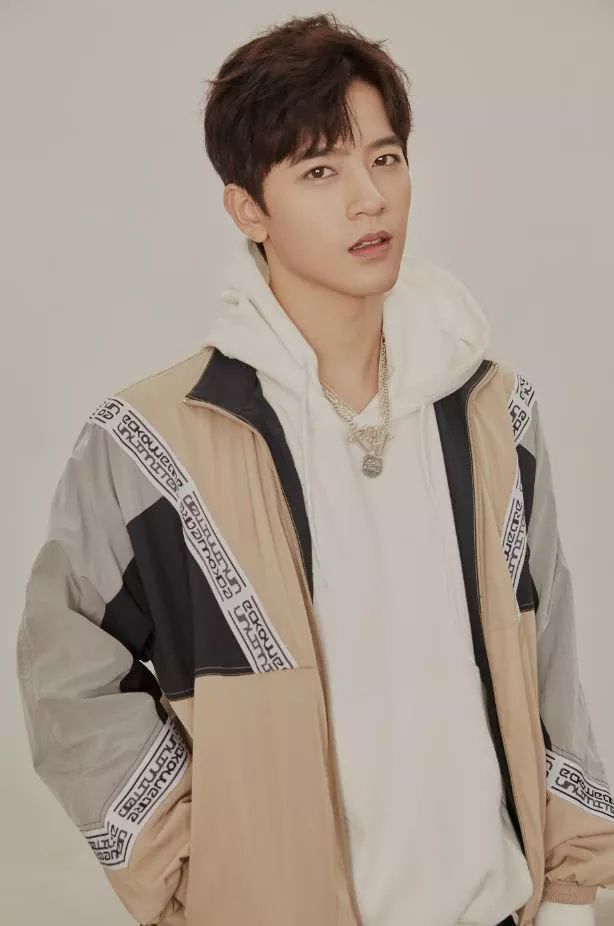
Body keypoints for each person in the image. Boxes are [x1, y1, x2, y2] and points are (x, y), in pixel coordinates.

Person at [15, 12, 614, 926]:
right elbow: (68, 670)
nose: (369, 199)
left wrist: (572, 892)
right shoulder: (151, 446)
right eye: (320, 171)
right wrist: (194, 872)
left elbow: (552, 663)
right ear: (248, 209)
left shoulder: (497, 414)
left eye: (385, 158)